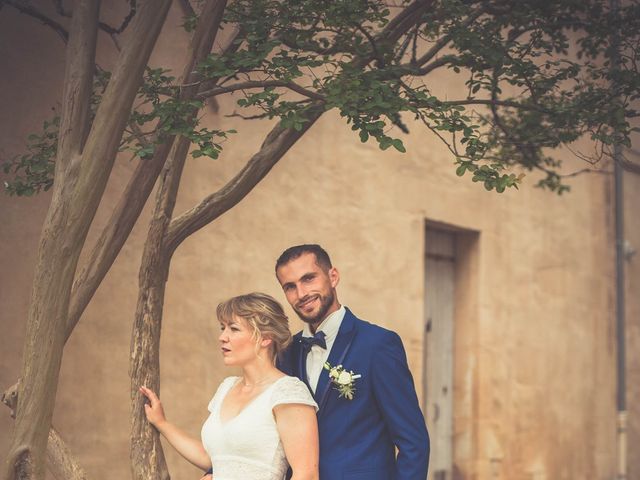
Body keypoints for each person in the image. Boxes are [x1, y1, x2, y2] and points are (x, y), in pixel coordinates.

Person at [275, 244, 430, 480]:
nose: (301, 293)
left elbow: (413, 443)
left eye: (308, 279)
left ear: (333, 276)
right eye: (290, 287)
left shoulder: (377, 345)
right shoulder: (287, 351)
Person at [140, 292, 320, 480]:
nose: (222, 337)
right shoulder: (227, 387)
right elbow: (211, 457)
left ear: (266, 338)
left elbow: (306, 474)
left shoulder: (288, 391)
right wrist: (162, 423)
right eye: (222, 328)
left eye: (233, 329)